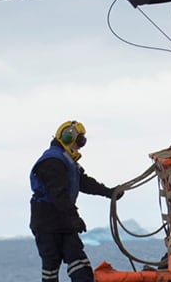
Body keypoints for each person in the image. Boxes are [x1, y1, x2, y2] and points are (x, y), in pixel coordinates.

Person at [30, 121, 121, 282]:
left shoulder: (68, 162)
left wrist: (109, 192)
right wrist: (74, 218)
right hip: (47, 223)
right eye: (80, 142)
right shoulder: (52, 162)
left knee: (80, 265)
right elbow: (59, 195)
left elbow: (83, 182)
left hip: (63, 222)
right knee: (51, 268)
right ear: (67, 138)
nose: (80, 147)